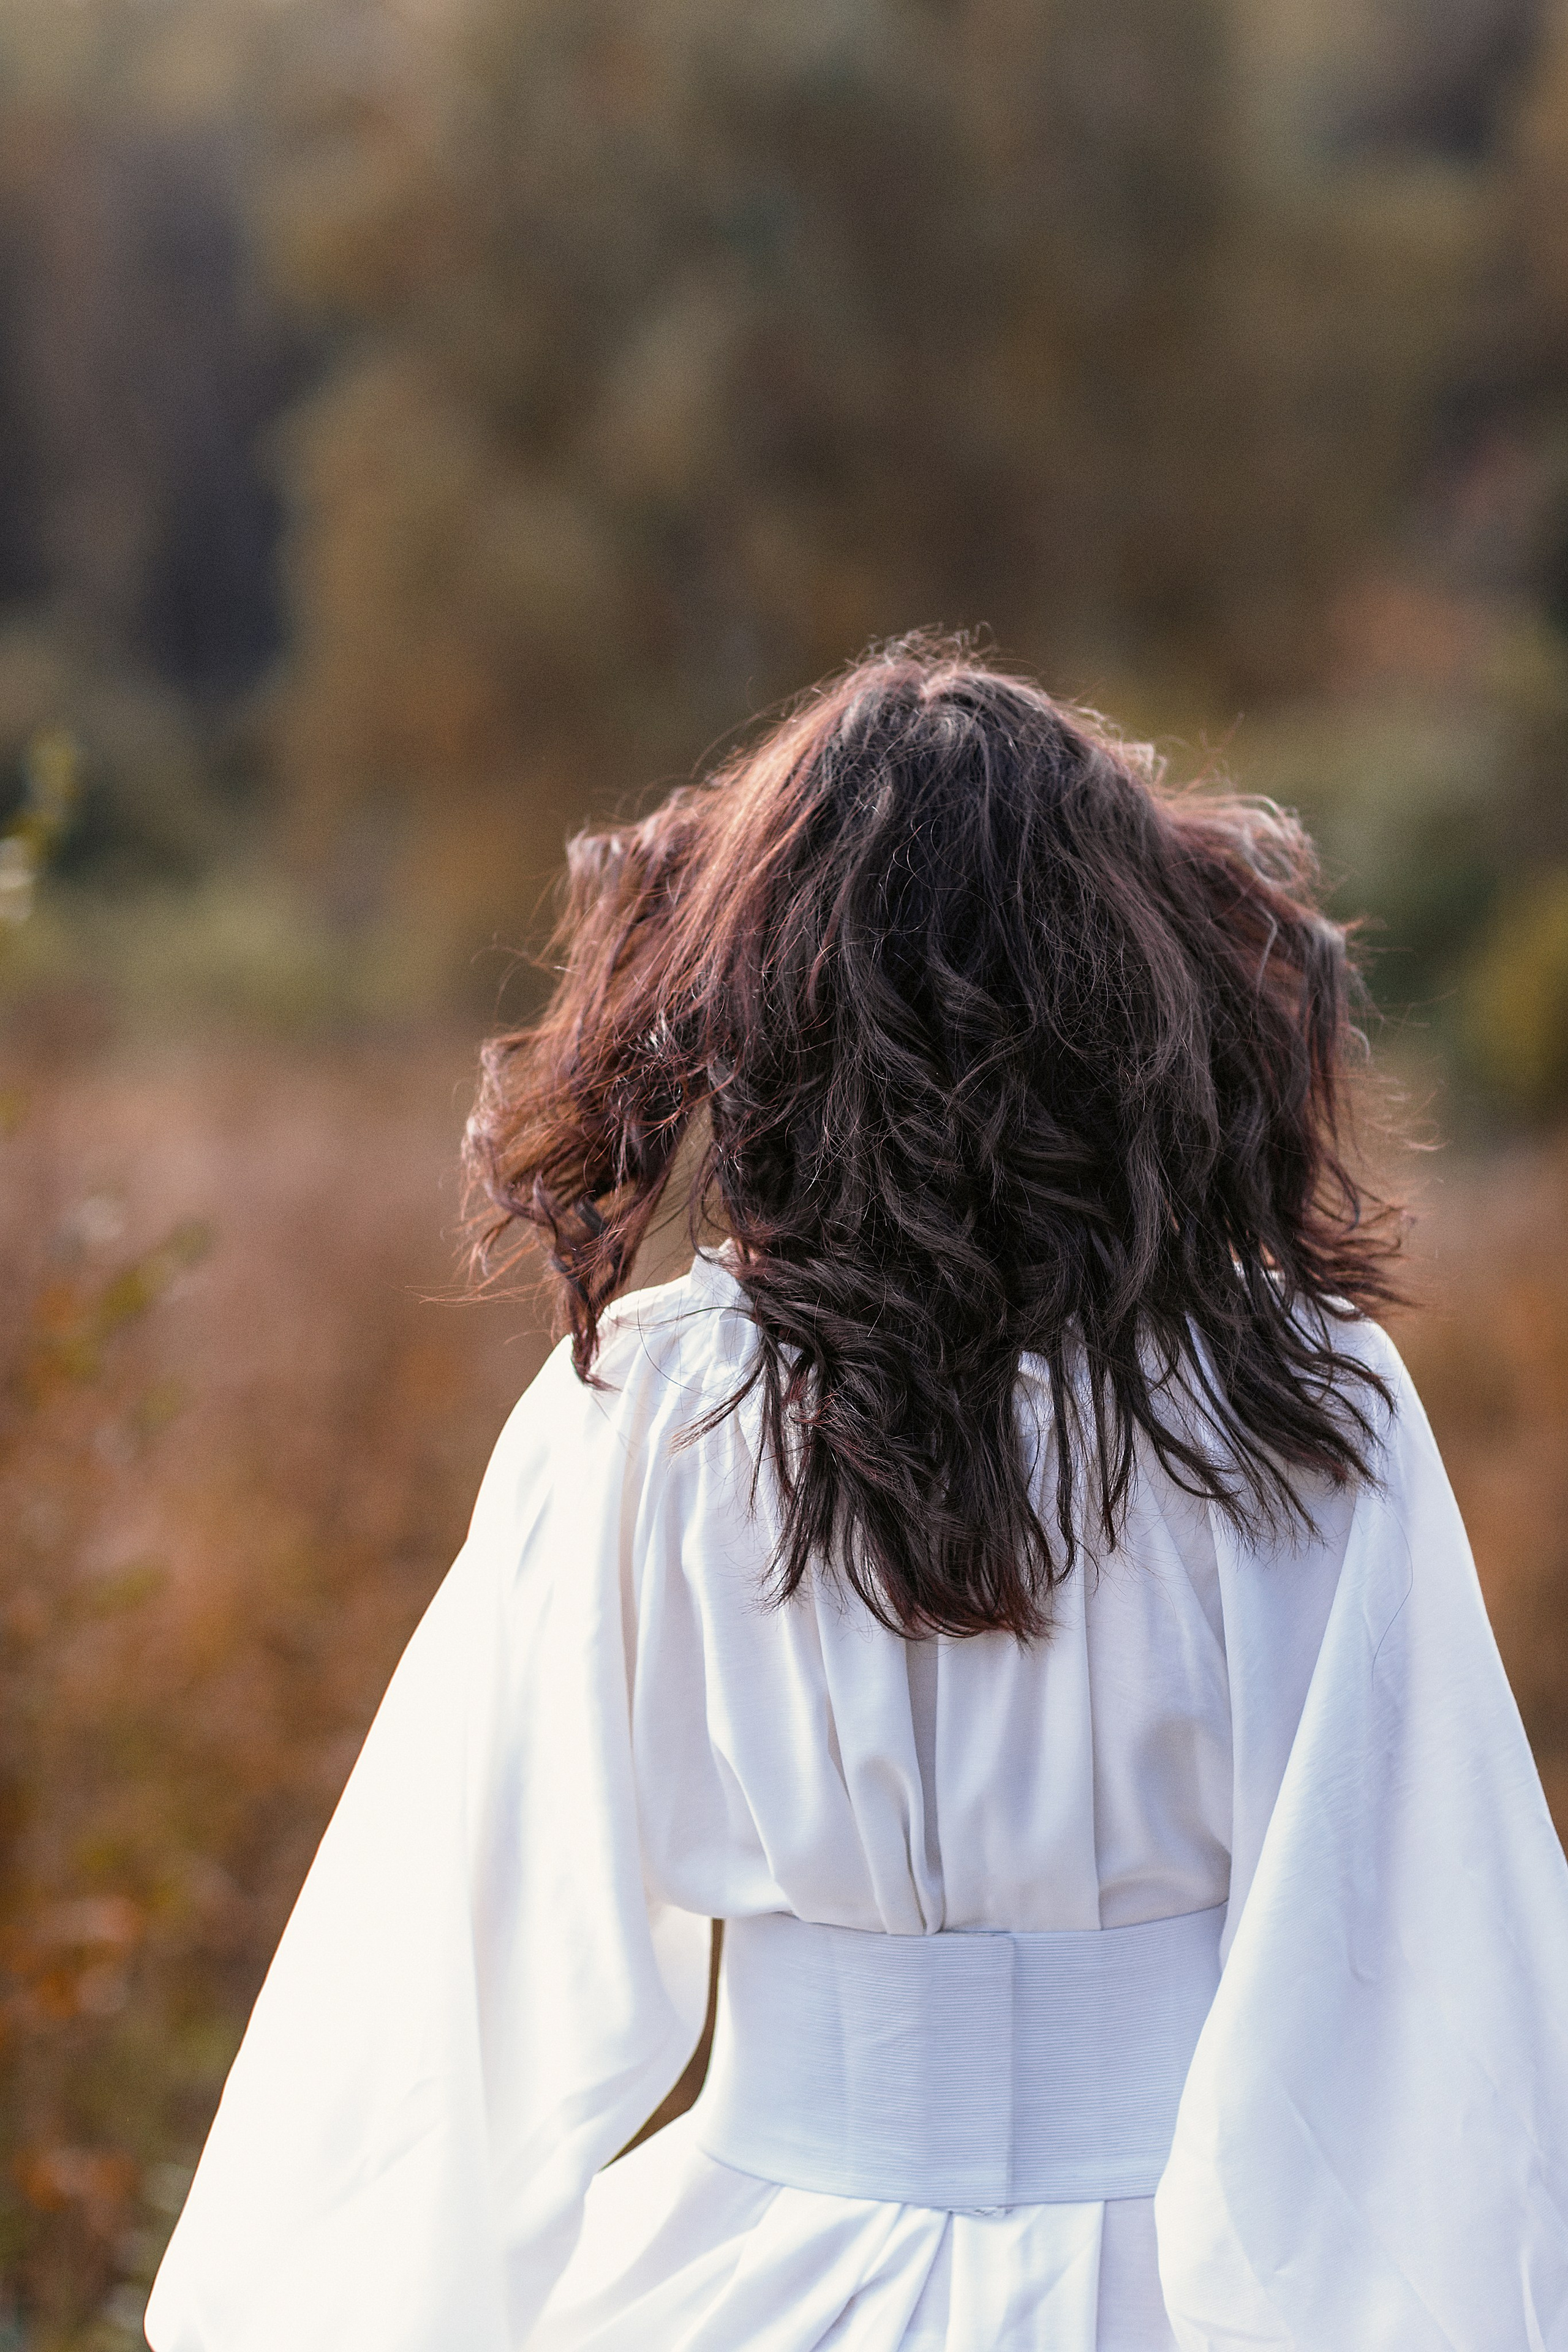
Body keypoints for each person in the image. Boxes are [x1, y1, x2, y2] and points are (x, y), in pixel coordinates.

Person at [146, 643, 1568, 2352]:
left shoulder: (659, 1414)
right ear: (1141, 991)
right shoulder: (1295, 1404)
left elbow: (469, 1990)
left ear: (767, 995)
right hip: (1188, 2292)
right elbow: (1424, 1952)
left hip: (755, 2287)